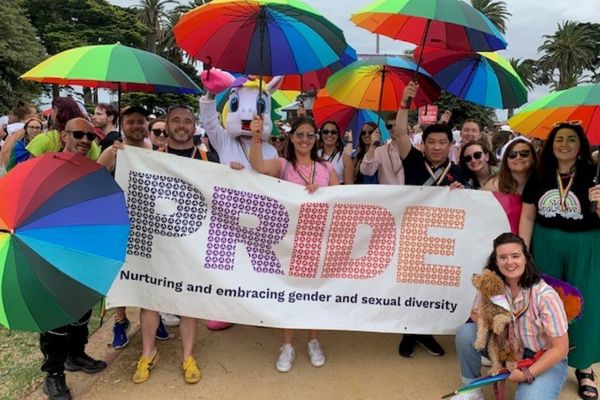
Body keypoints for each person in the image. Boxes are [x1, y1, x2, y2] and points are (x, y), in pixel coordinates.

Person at [132, 105, 217, 385]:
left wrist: (237, 171)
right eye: (176, 121)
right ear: (166, 126)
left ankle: (188, 356)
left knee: (188, 298)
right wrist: (124, 158)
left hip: (193, 243)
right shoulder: (150, 158)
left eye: (187, 121)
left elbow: (224, 190)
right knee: (150, 299)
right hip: (159, 243)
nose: (182, 125)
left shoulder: (208, 156)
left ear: (194, 126)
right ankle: (148, 353)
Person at [248, 116, 338, 372]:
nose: (305, 140)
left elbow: (340, 202)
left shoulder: (327, 169)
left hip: (317, 241)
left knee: (314, 291)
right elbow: (258, 166)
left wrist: (323, 194)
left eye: (311, 135)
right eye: (300, 134)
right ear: (292, 137)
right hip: (287, 242)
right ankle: (287, 345)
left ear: (316, 139)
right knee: (289, 292)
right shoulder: (283, 164)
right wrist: (256, 137)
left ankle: (313, 340)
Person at [519, 121, 600, 400]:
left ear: (580, 146)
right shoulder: (540, 175)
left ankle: (585, 367)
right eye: (558, 139)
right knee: (546, 303)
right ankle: (546, 358)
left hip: (585, 245)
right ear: (551, 145)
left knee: (584, 303)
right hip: (546, 243)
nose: (564, 144)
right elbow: (528, 215)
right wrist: (524, 251)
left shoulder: (594, 174)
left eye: (571, 139)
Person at [392, 81, 465, 359]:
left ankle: (426, 331)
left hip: (442, 239)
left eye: (442, 142)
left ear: (450, 145)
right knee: (410, 284)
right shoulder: (412, 160)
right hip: (412, 231)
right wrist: (404, 103)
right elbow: (400, 132)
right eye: (431, 141)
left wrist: (462, 194)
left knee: (434, 286)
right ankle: (408, 332)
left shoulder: (458, 171)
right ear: (423, 144)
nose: (436, 146)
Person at [37, 118, 107, 400]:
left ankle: (75, 356)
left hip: (84, 249)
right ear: (63, 135)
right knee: (55, 316)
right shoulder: (47, 166)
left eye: (89, 136)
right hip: (52, 250)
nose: (84, 140)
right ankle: (53, 375)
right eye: (78, 134)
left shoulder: (90, 169)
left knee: (81, 310)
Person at [454, 233, 569, 400]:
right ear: (496, 261)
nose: (509, 262)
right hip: (505, 348)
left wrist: (525, 374)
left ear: (526, 259)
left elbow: (560, 348)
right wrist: (492, 317)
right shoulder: (490, 284)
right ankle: (472, 390)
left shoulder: (545, 296)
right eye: (503, 257)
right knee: (465, 333)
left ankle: (537, 381)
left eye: (515, 256)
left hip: (541, 357)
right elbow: (475, 317)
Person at [97, 106, 171, 349]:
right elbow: (95, 177)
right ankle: (120, 321)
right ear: (123, 124)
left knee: (153, 271)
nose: (136, 126)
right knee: (122, 273)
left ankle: (154, 316)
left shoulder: (154, 151)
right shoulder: (114, 151)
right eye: (131, 122)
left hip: (150, 223)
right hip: (120, 222)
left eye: (141, 122)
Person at [26, 97, 101, 161]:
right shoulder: (89, 143)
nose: (51, 113)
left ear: (59, 114)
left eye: (53, 109)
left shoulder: (43, 139)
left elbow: (31, 167)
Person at [359, 113, 405, 185]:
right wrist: (372, 146)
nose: (393, 128)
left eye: (396, 125)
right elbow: (366, 171)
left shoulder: (412, 151)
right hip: (387, 195)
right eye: (389, 126)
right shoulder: (380, 151)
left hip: (408, 194)